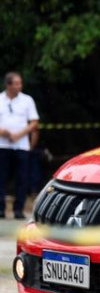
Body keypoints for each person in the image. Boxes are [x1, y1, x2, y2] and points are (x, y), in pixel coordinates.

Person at [0, 72, 40, 219]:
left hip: (21, 145)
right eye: (16, 83)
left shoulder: (27, 100)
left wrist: (21, 133)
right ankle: (1, 209)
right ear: (8, 85)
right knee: (1, 178)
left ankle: (18, 209)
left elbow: (34, 121)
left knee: (22, 179)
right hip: (2, 145)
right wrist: (2, 131)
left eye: (20, 83)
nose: (19, 86)